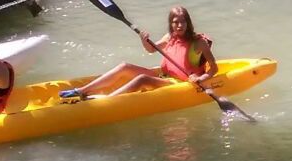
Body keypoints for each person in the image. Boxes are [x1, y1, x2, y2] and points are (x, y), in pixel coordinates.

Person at [62, 7, 218, 100]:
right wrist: (144, 40)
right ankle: (81, 91)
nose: (179, 25)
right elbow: (151, 49)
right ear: (171, 24)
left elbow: (213, 68)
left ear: (188, 23)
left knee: (142, 79)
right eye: (176, 22)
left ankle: (109, 102)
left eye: (183, 21)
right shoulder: (169, 37)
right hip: (165, 77)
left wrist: (200, 78)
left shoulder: (198, 42)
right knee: (124, 66)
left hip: (181, 83)